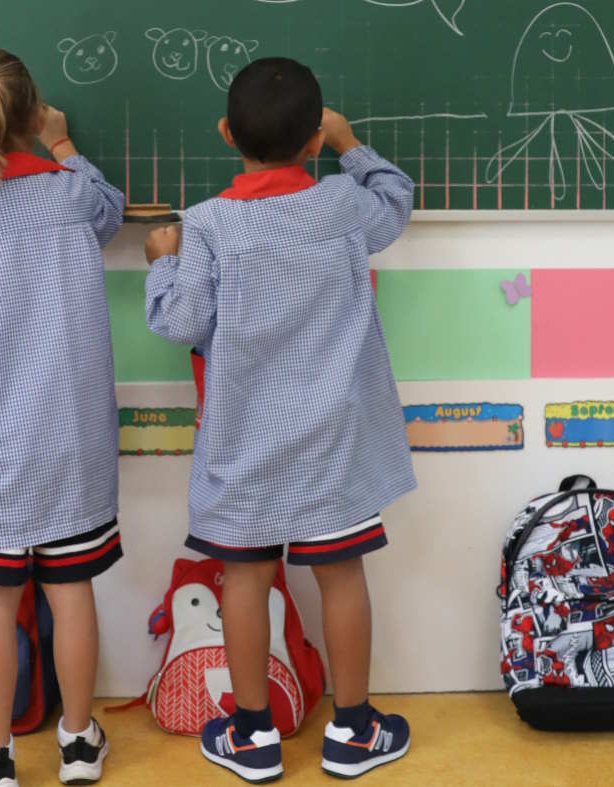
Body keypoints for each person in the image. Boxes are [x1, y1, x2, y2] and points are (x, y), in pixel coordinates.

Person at [144, 57, 417, 783]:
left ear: (228, 133)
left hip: (244, 446)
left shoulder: (205, 225)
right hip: (333, 442)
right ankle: (355, 730)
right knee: (341, 574)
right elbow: (395, 197)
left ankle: (252, 732)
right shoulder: (342, 207)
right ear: (311, 140)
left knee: (246, 577)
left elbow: (183, 320)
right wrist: (350, 146)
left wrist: (160, 262)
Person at [0, 48, 124, 787]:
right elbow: (109, 210)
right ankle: (78, 743)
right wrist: (64, 144)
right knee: (72, 590)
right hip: (70, 439)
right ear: (34, 116)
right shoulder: (74, 196)